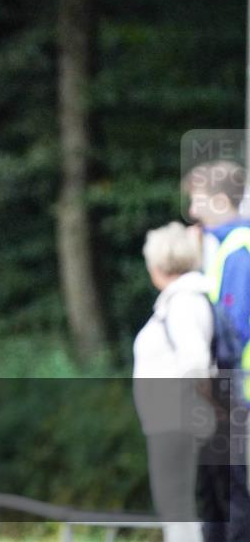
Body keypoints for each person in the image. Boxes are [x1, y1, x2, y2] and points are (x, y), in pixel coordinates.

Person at [134, 222, 215, 542]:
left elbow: (195, 360)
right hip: (175, 418)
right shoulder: (185, 299)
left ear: (157, 265)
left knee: (175, 507)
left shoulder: (182, 302)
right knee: (179, 507)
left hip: (176, 419)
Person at [184, 160, 250, 542]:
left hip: (235, 395)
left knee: (234, 499)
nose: (192, 211)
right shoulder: (223, 247)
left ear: (222, 202)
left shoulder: (238, 250)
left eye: (198, 200)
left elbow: (232, 328)